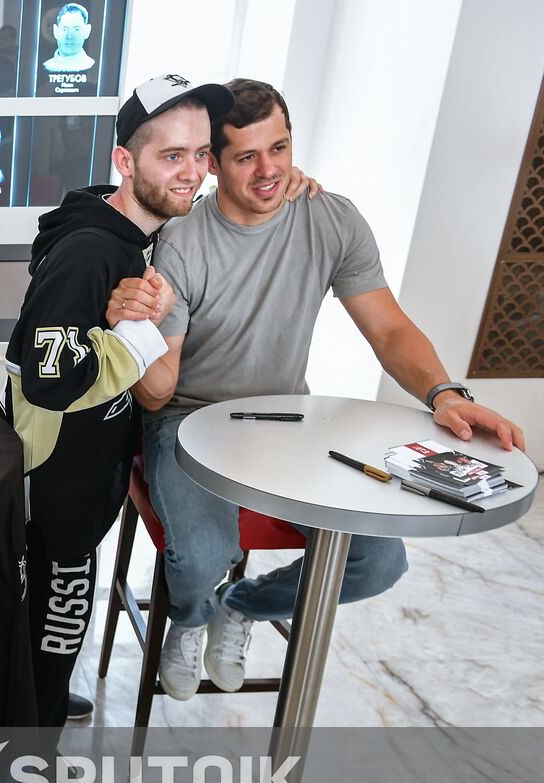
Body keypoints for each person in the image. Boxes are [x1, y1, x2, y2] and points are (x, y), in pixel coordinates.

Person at [130, 79, 526, 700]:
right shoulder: (182, 242)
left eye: (280, 149)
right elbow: (157, 389)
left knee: (378, 562)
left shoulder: (330, 217)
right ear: (212, 163)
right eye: (246, 157)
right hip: (185, 419)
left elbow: (389, 327)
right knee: (203, 557)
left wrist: (448, 395)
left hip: (287, 419)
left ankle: (243, 605)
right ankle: (191, 616)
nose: (269, 172)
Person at [0, 74, 235, 741]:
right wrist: (133, 338)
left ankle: (38, 703)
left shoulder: (127, 227)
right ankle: (29, 749)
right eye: (172, 156)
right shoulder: (91, 250)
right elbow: (48, 379)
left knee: (55, 614)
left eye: (201, 153)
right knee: (58, 609)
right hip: (55, 479)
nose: (193, 171)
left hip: (86, 470)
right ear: (126, 163)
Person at [42, 3, 96, 73]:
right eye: (64, 29)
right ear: (56, 31)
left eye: (76, 29)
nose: (69, 36)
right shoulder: (46, 67)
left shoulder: (92, 66)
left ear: (87, 31)